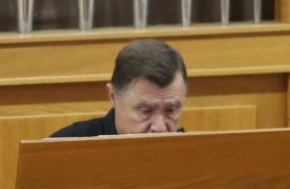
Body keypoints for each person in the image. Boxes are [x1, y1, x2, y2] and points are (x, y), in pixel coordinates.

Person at [50, 38, 187, 137]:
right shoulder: (62, 149)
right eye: (146, 111)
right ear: (113, 96)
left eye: (170, 110)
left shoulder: (193, 154)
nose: (160, 128)